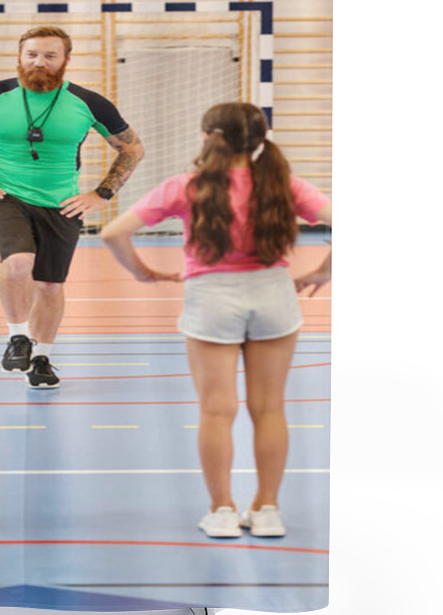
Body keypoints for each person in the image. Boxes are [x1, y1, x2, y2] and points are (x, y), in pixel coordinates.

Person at [100, 102, 331, 539]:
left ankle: (222, 510)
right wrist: (324, 270)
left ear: (208, 137)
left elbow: (113, 233)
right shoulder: (284, 185)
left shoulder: (186, 186)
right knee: (269, 409)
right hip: (273, 296)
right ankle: (267, 510)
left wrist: (142, 271)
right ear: (262, 140)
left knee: (216, 410)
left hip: (211, 300)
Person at [0, 26, 145, 389]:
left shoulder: (89, 103)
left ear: (66, 60)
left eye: (49, 55)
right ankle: (17, 336)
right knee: (17, 262)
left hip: (63, 204)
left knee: (49, 286)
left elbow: (132, 148)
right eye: (31, 54)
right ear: (19, 56)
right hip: (3, 196)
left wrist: (100, 194)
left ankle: (41, 358)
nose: (39, 62)